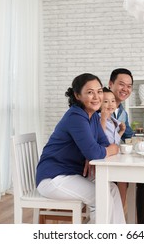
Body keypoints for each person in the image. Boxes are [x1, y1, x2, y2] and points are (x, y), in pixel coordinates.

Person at [35, 73, 125, 224]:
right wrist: (110, 149)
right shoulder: (76, 116)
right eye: (90, 92)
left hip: (71, 174)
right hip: (54, 178)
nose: (97, 97)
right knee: (101, 197)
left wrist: (93, 154)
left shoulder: (93, 117)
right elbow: (96, 150)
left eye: (99, 91)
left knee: (112, 190)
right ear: (77, 95)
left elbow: (101, 144)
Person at [108, 68, 144, 224]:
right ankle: (116, 221)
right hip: (103, 161)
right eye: (121, 84)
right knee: (123, 180)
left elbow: (128, 135)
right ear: (110, 84)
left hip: (115, 160)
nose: (125, 89)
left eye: (129, 86)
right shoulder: (99, 107)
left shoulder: (122, 112)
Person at [98, 87, 128, 205]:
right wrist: (104, 119)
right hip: (104, 159)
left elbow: (113, 141)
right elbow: (99, 137)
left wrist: (120, 132)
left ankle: (120, 207)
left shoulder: (113, 120)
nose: (110, 104)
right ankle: (117, 208)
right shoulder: (99, 118)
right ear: (99, 103)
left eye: (113, 101)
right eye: (105, 101)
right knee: (122, 179)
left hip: (112, 158)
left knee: (123, 180)